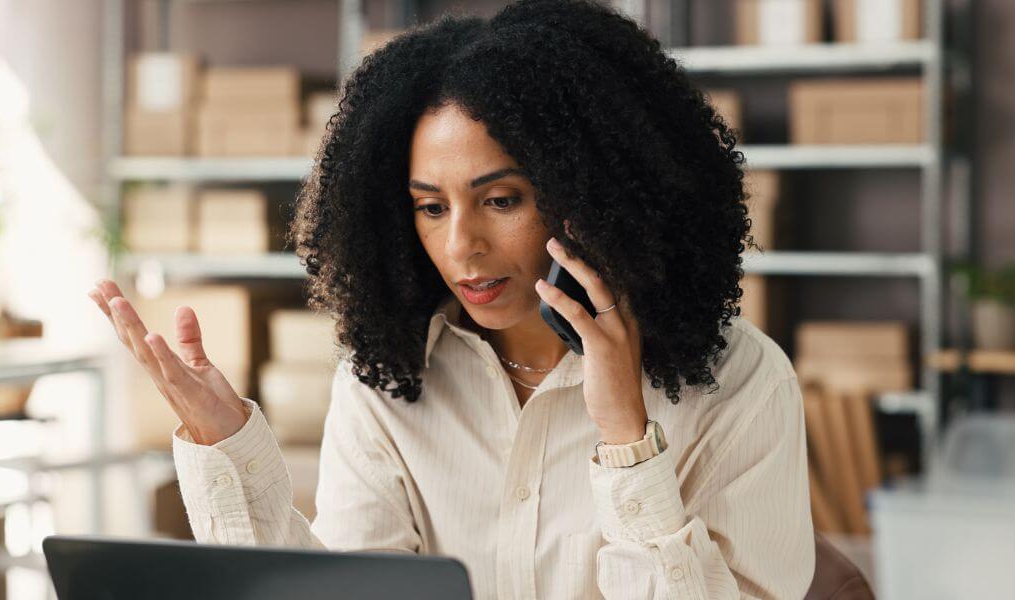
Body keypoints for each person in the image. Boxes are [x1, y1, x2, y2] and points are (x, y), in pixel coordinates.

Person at [87, 0, 815, 597]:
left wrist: (627, 436)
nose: (461, 245)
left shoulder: (743, 386)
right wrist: (228, 446)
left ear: (592, 195)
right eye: (430, 207)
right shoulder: (392, 378)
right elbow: (345, 593)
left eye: (500, 199)